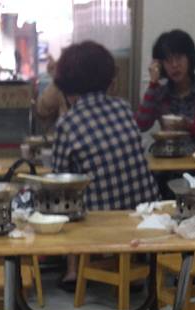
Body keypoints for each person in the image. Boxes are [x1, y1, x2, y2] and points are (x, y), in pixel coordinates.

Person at [51, 41, 159, 286]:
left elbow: (58, 180)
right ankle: (130, 268)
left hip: (100, 220)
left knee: (64, 198)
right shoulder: (123, 108)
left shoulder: (68, 123)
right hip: (145, 213)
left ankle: (74, 271)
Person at [135, 29, 195, 148]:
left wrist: (191, 128)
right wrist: (153, 84)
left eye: (179, 58)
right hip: (166, 158)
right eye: (168, 60)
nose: (174, 65)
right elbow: (141, 125)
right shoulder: (159, 93)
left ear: (189, 58)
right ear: (161, 65)